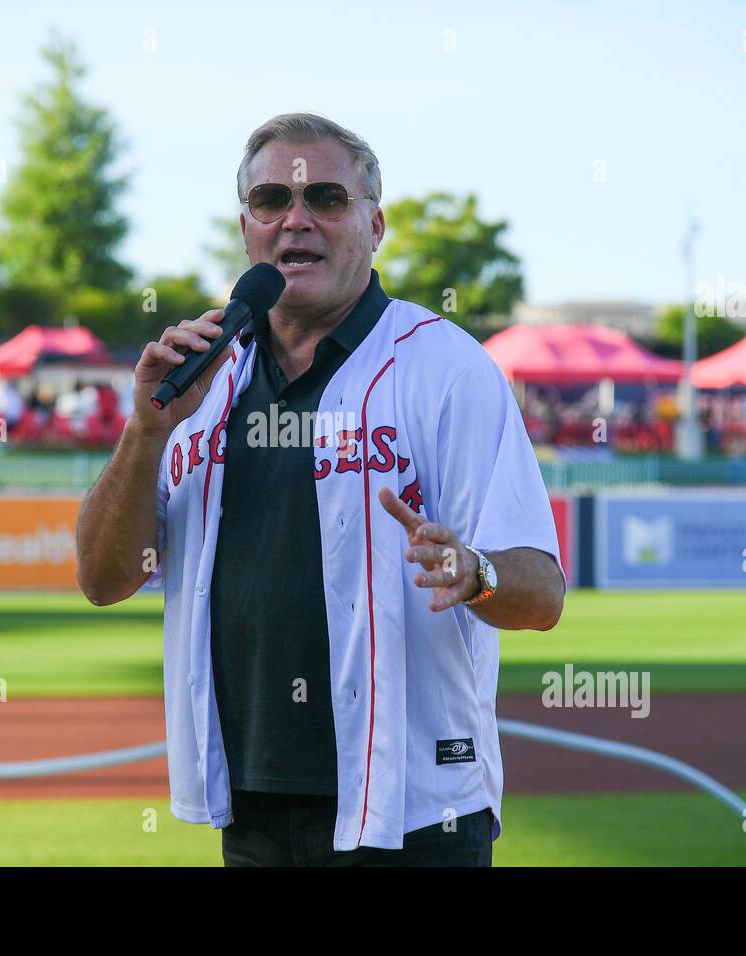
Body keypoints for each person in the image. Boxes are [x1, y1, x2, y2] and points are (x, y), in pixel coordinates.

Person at [75, 113, 565, 867]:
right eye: (272, 199)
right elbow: (105, 579)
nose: (296, 220)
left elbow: (543, 593)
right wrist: (146, 431)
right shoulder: (201, 379)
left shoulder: (447, 368)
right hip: (254, 811)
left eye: (326, 198)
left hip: (417, 812)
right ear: (247, 229)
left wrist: (474, 572)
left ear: (375, 225)